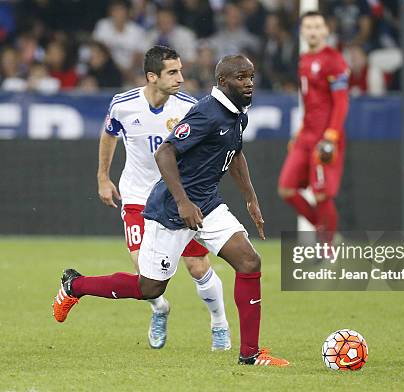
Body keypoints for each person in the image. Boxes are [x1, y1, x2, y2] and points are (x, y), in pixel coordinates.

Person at [52, 53, 289, 367]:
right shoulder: (206, 112)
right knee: (149, 287)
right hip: (172, 209)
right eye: (241, 78)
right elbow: (165, 152)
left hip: (207, 204)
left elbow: (235, 151)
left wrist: (250, 197)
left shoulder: (237, 113)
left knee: (248, 261)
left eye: (251, 77)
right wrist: (182, 202)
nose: (249, 84)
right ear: (222, 82)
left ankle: (250, 353)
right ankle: (76, 285)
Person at [278, 11, 350, 243]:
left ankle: (327, 246)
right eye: (308, 27)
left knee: (321, 194)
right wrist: (300, 131)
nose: (313, 31)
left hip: (325, 137)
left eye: (318, 26)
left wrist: (331, 135)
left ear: (326, 31)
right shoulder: (304, 60)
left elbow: (341, 102)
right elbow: (312, 104)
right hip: (305, 136)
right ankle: (326, 231)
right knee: (286, 189)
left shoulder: (334, 60)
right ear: (302, 31)